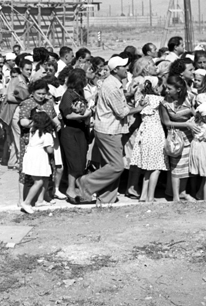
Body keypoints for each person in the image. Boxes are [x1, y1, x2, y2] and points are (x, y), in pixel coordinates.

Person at [76, 57, 148, 205]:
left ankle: (106, 199)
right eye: (123, 66)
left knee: (108, 165)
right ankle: (86, 182)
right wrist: (139, 108)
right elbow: (121, 112)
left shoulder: (112, 83)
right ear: (115, 69)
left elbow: (114, 102)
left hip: (108, 129)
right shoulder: (113, 86)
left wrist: (127, 95)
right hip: (110, 130)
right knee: (117, 166)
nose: (127, 68)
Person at [159, 75, 198, 202]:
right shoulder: (164, 103)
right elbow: (166, 122)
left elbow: (196, 113)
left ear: (179, 89)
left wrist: (193, 120)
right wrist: (185, 124)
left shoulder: (190, 98)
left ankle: (183, 192)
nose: (166, 91)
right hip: (176, 138)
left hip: (190, 135)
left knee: (186, 166)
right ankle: (175, 196)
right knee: (176, 166)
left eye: (169, 88)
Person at [130, 77, 168, 202]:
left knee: (147, 167)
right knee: (156, 167)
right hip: (155, 132)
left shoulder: (141, 99)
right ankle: (150, 197)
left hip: (144, 132)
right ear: (157, 87)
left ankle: (143, 195)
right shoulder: (160, 100)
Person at [59, 69, 92, 202]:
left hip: (80, 131)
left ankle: (76, 188)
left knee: (81, 161)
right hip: (70, 132)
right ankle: (70, 189)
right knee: (74, 162)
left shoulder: (79, 92)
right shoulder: (68, 95)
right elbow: (67, 114)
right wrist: (85, 115)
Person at [20, 111, 55, 214]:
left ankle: (40, 201)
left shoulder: (33, 131)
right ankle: (26, 203)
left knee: (45, 178)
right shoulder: (47, 135)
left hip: (31, 157)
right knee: (38, 181)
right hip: (38, 158)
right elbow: (49, 150)